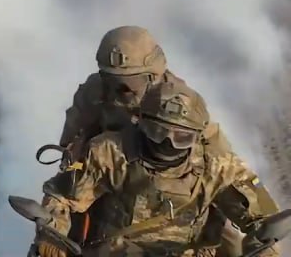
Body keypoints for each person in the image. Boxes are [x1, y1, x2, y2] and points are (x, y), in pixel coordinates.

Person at [35, 81, 281, 257]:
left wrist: (265, 247)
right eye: (158, 132)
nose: (167, 143)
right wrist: (52, 234)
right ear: (141, 124)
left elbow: (263, 218)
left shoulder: (218, 165)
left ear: (196, 137)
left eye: (180, 138)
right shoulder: (109, 150)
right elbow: (62, 196)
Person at [56, 26, 241, 253]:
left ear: (152, 75)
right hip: (111, 174)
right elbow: (73, 138)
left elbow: (212, 150)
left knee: (227, 239)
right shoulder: (95, 92)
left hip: (174, 183)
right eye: (110, 79)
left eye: (127, 83)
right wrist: (75, 165)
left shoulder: (177, 100)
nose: (117, 89)